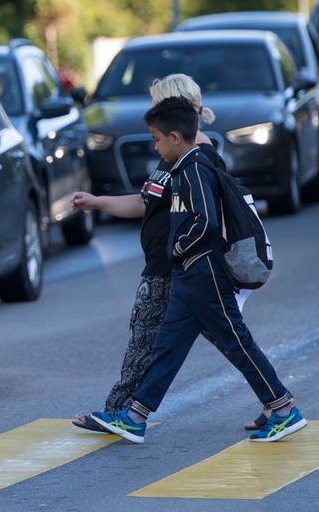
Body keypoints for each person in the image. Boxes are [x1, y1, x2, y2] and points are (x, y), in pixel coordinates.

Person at [89, 96, 305, 444]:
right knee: (167, 347)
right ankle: (135, 416)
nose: (156, 147)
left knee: (237, 343)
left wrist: (177, 247)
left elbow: (205, 221)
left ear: (175, 137)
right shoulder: (185, 166)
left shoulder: (193, 168)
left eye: (158, 140)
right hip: (189, 277)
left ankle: (282, 408)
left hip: (204, 274)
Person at [70, 75, 267, 434]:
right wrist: (97, 202)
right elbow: (146, 203)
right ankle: (132, 415)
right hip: (173, 266)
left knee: (158, 338)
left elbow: (211, 213)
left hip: (182, 266)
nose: (151, 113)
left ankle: (123, 412)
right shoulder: (174, 155)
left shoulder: (197, 156)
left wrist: (185, 252)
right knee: (186, 344)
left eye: (156, 106)